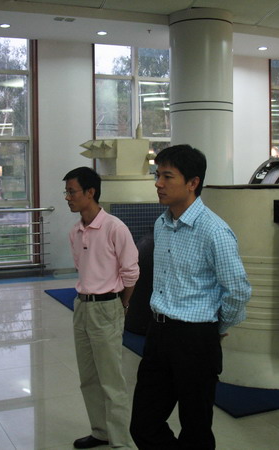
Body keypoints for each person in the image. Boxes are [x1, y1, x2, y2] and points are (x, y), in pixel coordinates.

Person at [129, 144, 252, 450]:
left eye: (167, 176)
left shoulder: (214, 231)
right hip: (158, 333)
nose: (158, 183)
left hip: (195, 338)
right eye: (157, 175)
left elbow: (238, 290)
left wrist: (217, 327)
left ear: (193, 182)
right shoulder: (162, 224)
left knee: (195, 429)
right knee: (143, 425)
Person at [63, 166, 139, 449]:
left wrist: (122, 303)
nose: (67, 197)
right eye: (66, 192)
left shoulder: (114, 227)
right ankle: (100, 431)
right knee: (88, 378)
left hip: (107, 307)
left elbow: (131, 272)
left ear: (90, 192)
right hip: (82, 306)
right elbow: (81, 268)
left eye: (72, 192)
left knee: (111, 380)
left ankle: (121, 441)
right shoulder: (75, 231)